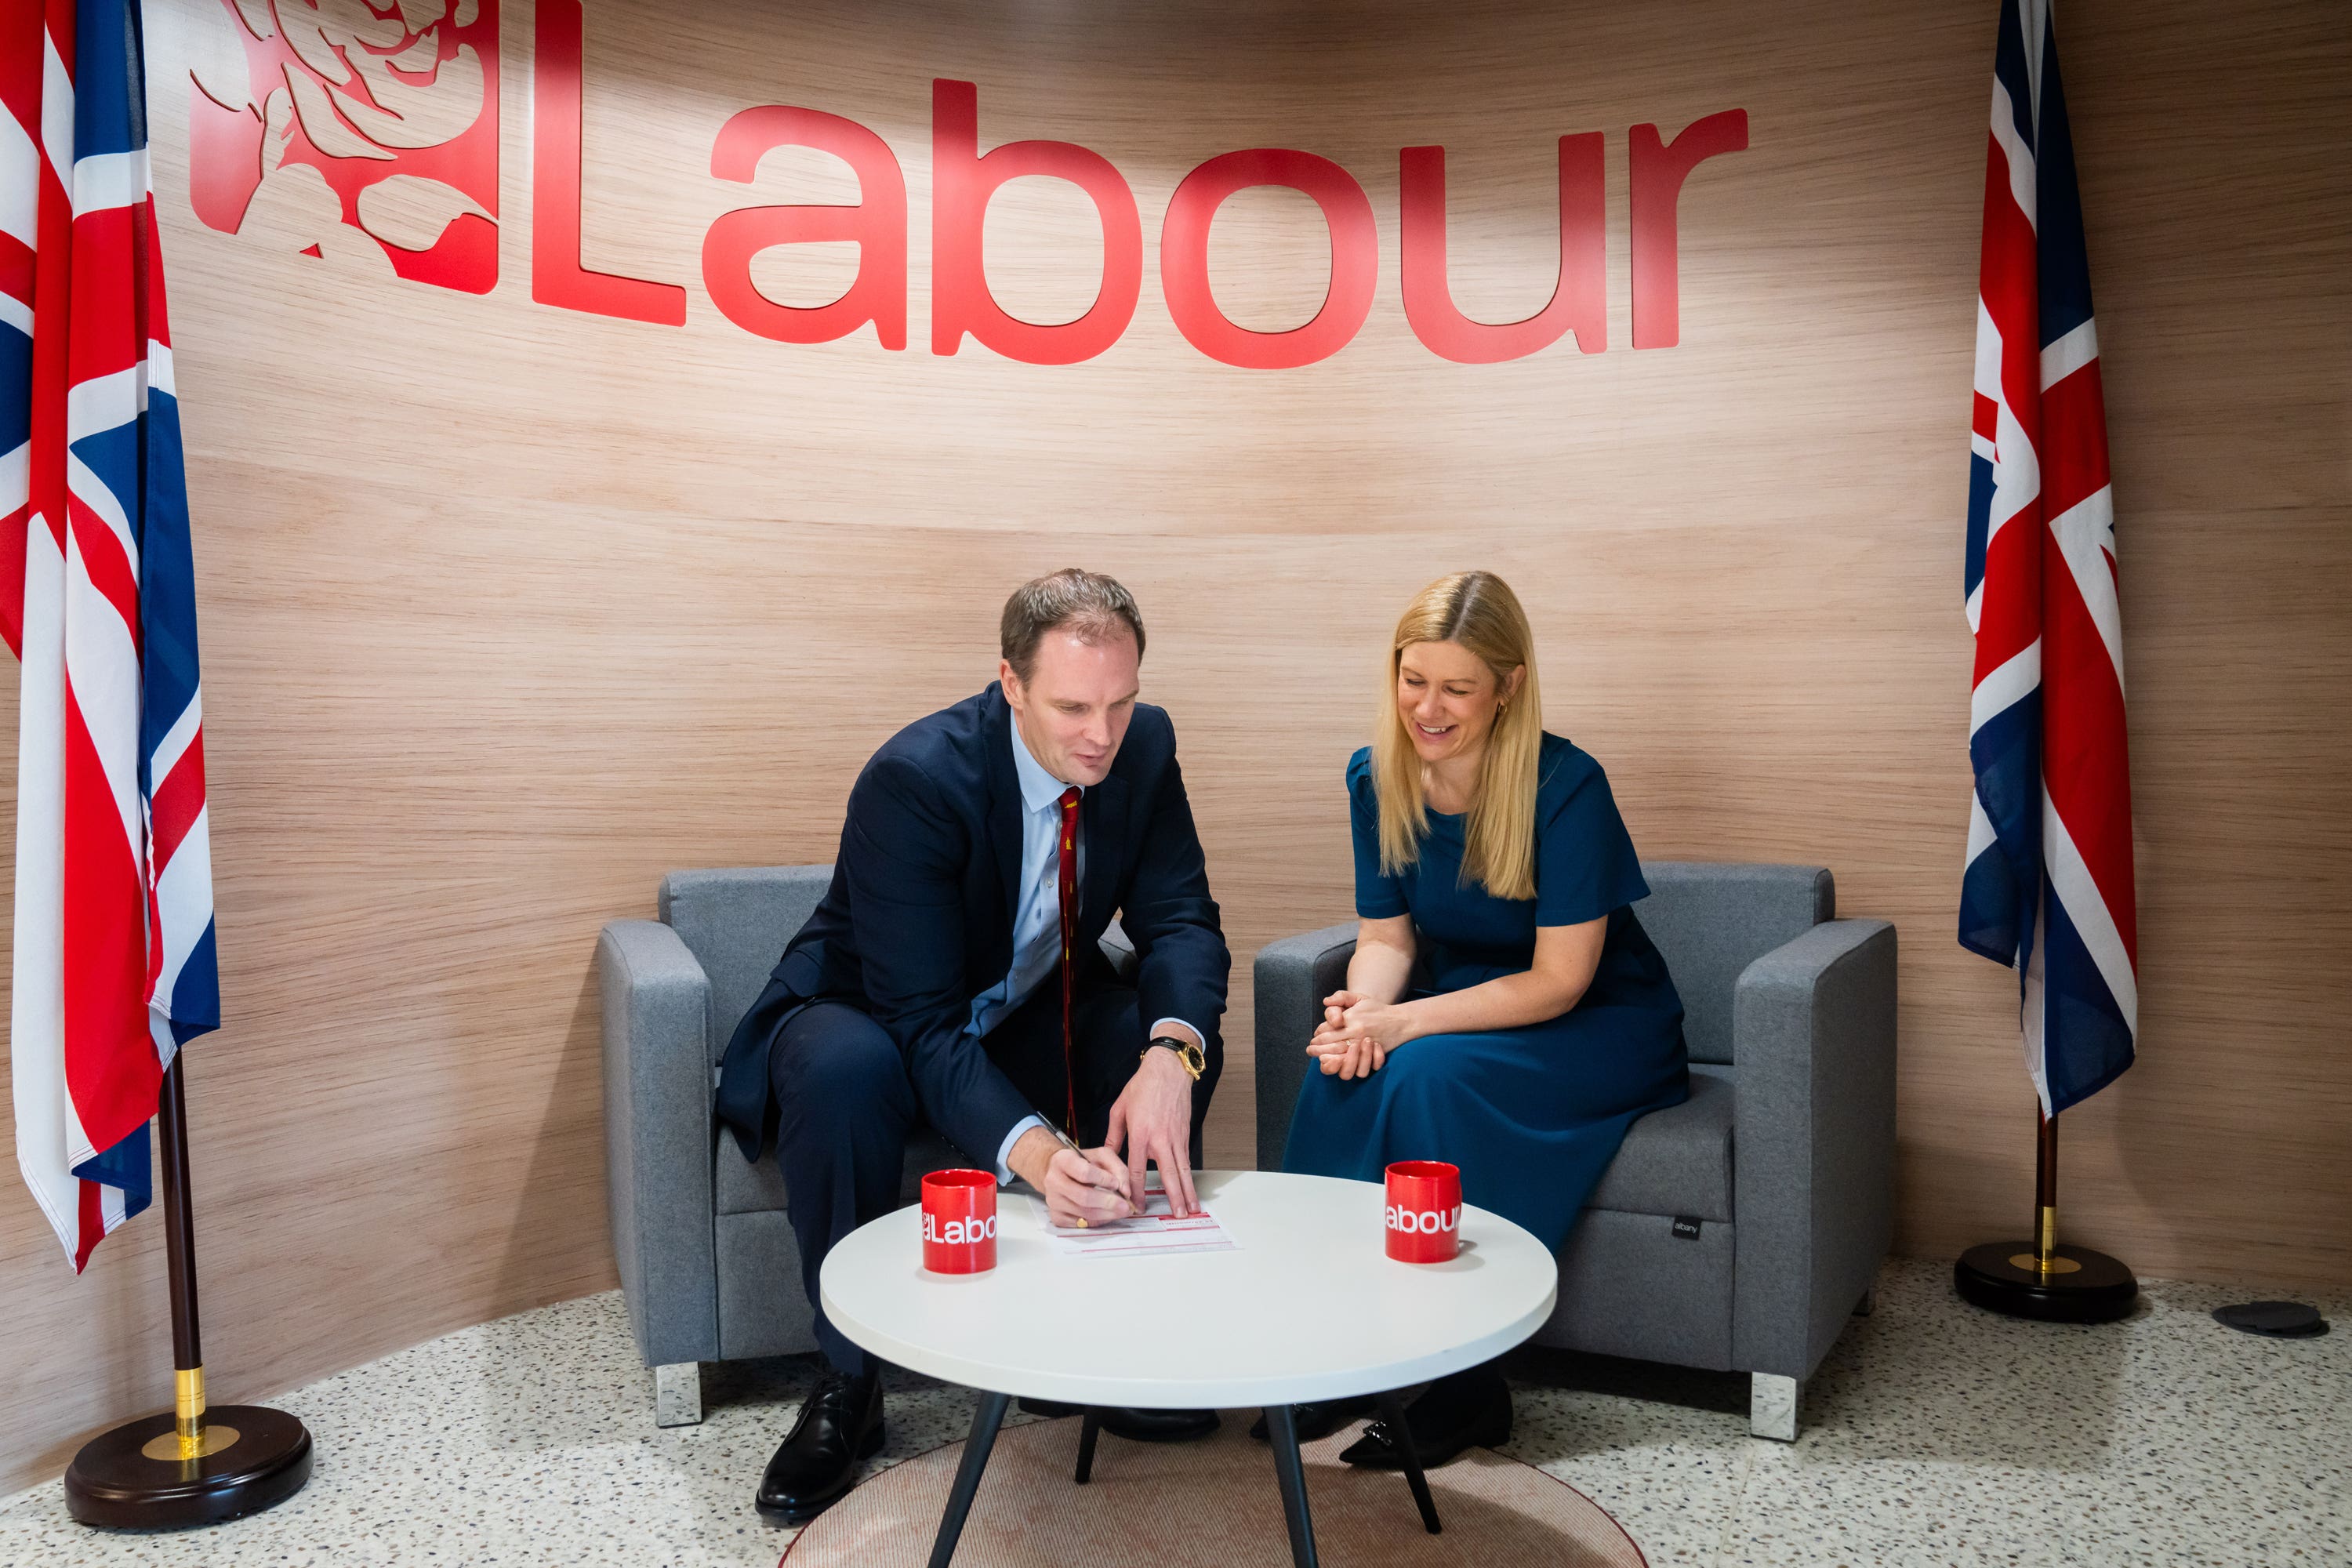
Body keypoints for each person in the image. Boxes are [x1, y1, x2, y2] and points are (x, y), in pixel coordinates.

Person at [715, 568, 1230, 1523]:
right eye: (1073, 706)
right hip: (868, 1009)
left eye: (1121, 702)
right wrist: (1041, 1156)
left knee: (1153, 1030)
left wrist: (1172, 1055)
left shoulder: (1143, 747)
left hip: (1019, 1006)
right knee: (847, 1067)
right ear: (1011, 684)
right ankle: (848, 1383)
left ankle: (1110, 1341)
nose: (1101, 735)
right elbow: (919, 1020)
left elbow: (1182, 920)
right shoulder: (915, 778)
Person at [1276, 570, 1689, 1470]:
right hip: (1461, 1003)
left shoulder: (1566, 784)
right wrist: (1369, 1006)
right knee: (1340, 1061)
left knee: (1425, 1069)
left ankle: (1471, 1377)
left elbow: (1560, 980)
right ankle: (1334, 1341)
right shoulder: (1372, 772)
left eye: (1457, 686)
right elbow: (1385, 934)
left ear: (1507, 685)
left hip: (1597, 1021)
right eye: (1412, 677)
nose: (1428, 705)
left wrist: (1408, 1023)